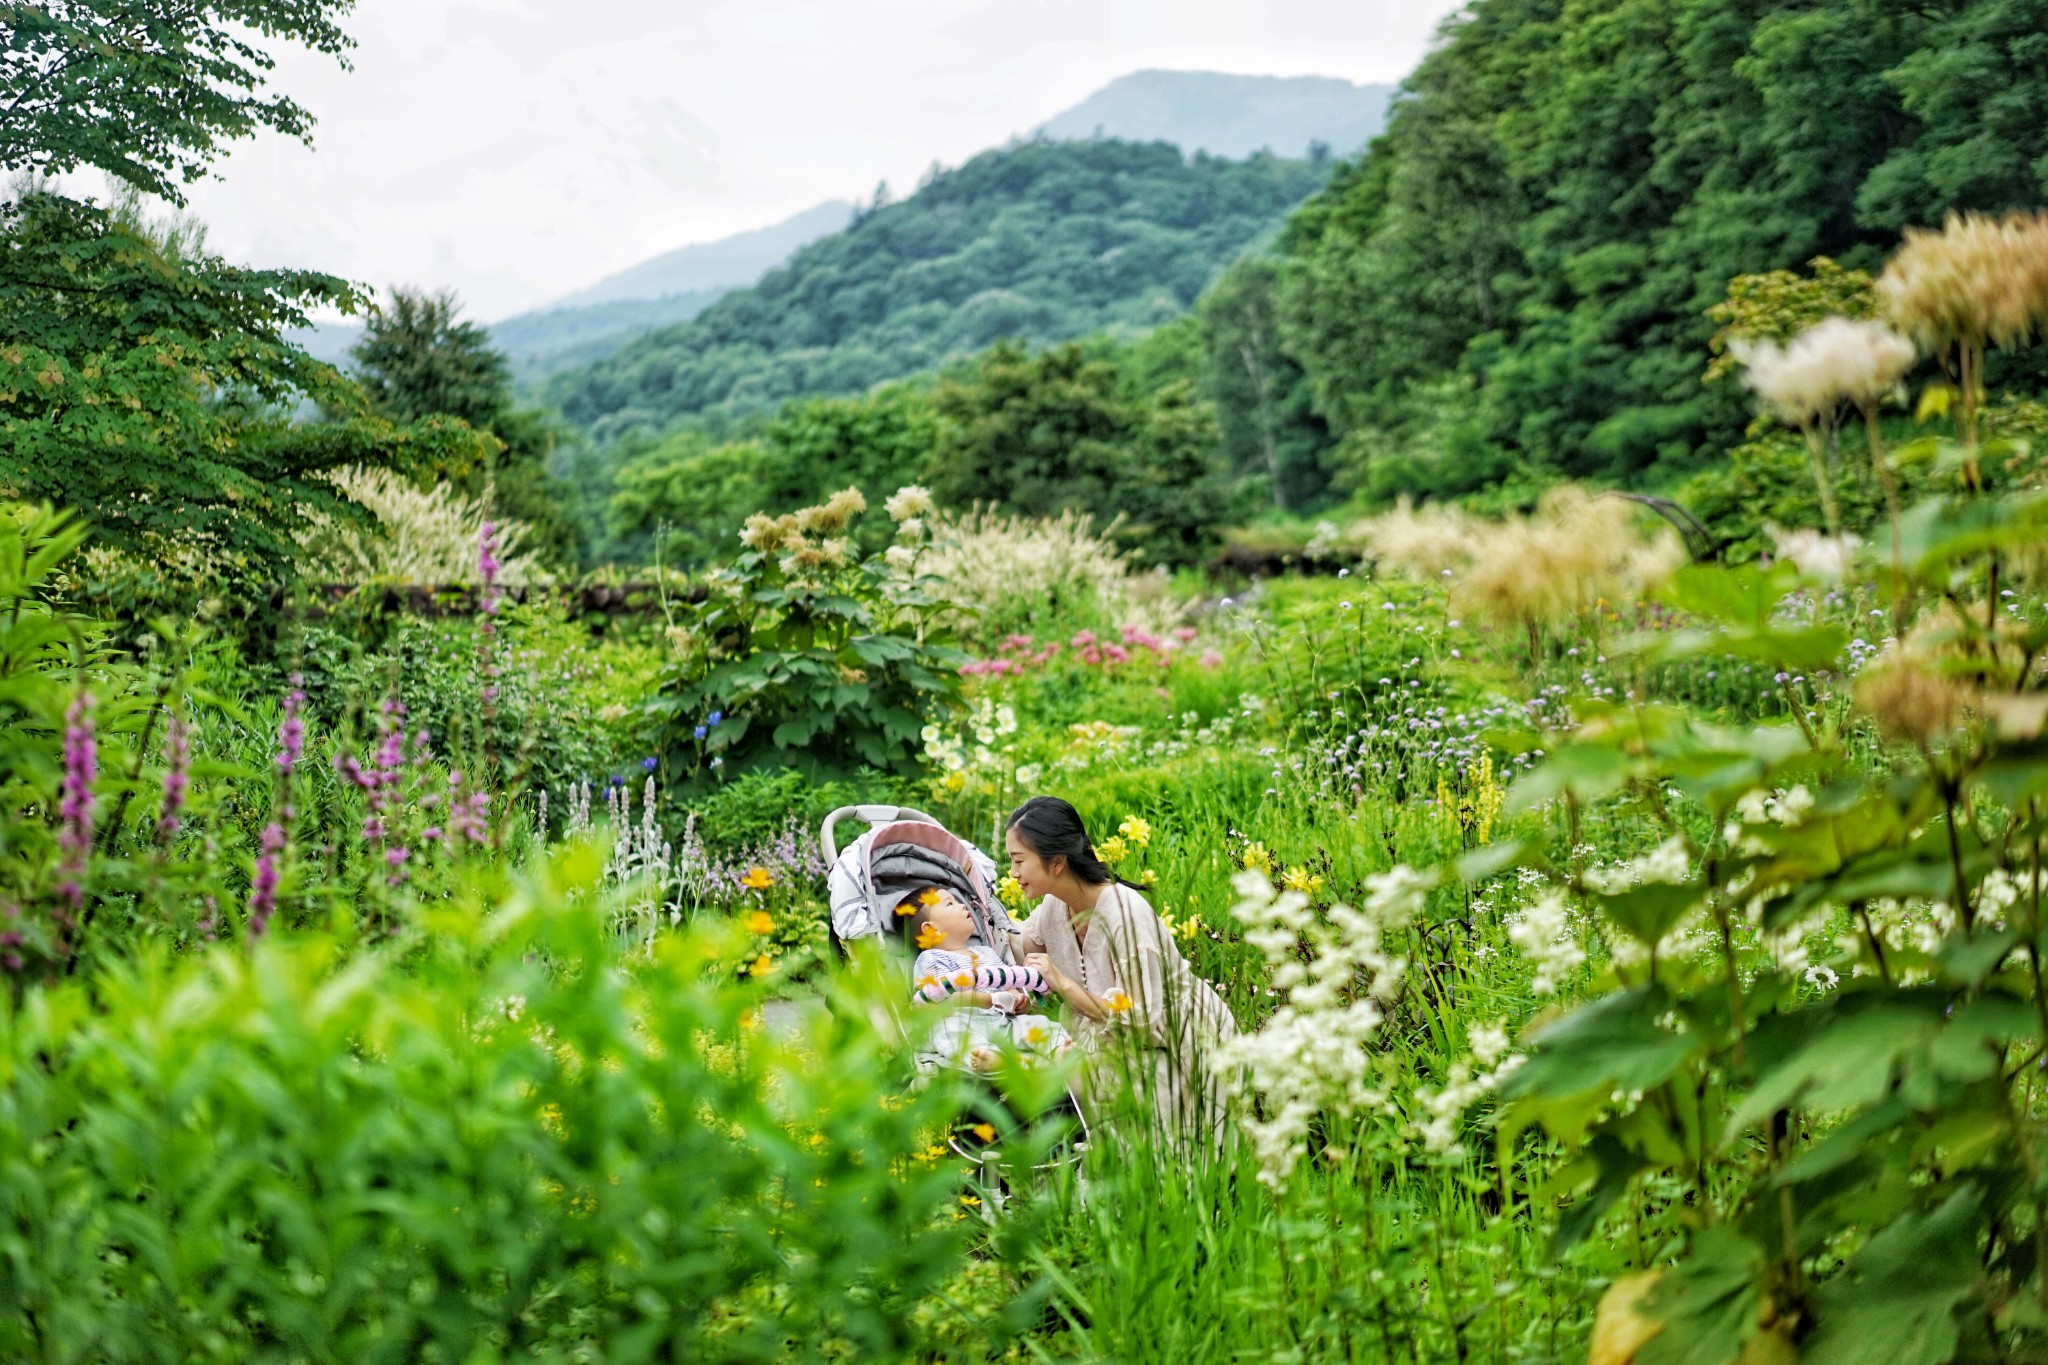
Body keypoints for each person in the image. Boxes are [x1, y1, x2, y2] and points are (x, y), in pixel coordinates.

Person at [1004, 796, 1238, 1147]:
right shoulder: (1054, 906)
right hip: (1115, 1040)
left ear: (1056, 863)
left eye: (1019, 861)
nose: (1013, 873)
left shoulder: (1125, 915)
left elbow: (1141, 1020)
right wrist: (1027, 986)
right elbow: (1029, 947)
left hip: (1171, 1042)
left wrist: (1062, 983)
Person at [904, 885, 1071, 1068]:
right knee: (947, 1031)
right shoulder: (931, 958)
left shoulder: (985, 952)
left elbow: (1006, 981)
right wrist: (991, 1000)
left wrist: (1017, 998)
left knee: (1036, 1023)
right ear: (931, 929)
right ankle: (988, 1057)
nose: (962, 905)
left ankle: (1059, 1048)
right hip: (964, 1023)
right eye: (950, 904)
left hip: (1002, 1021)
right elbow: (941, 998)